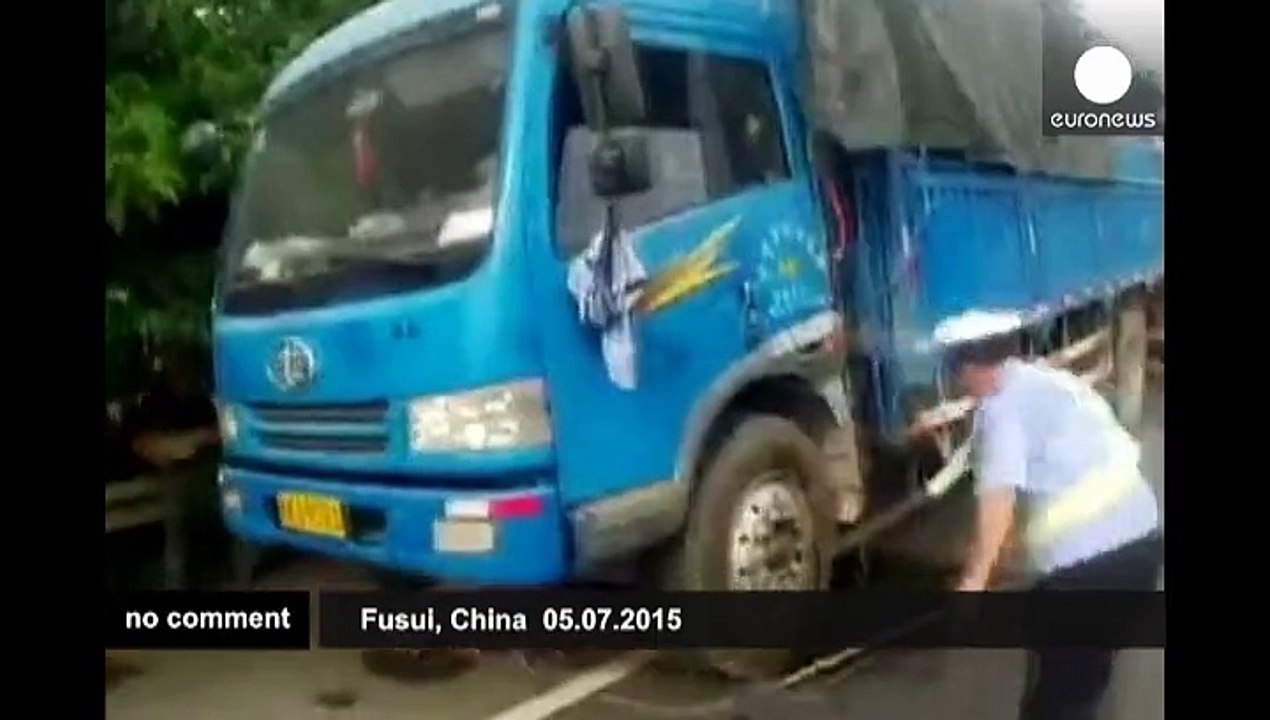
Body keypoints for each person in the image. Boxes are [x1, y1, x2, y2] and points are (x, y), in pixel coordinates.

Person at [936, 311, 1162, 720]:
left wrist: (971, 588)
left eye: (956, 368)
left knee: (1059, 702)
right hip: (1142, 548)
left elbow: (998, 505)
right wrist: (998, 566)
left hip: (1090, 572)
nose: (959, 380)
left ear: (971, 367)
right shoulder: (1049, 381)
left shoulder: (1000, 407)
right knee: (1080, 678)